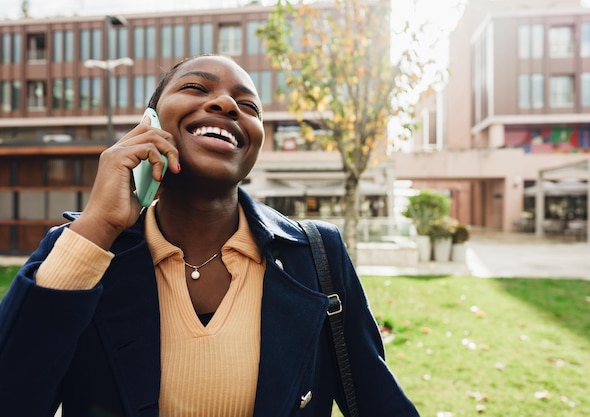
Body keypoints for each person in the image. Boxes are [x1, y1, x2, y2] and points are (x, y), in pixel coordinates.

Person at [0, 55, 420, 417]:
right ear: (149, 123)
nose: (225, 104)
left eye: (248, 105)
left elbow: (380, 403)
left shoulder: (316, 255)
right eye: (196, 87)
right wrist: (98, 228)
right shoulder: (80, 251)